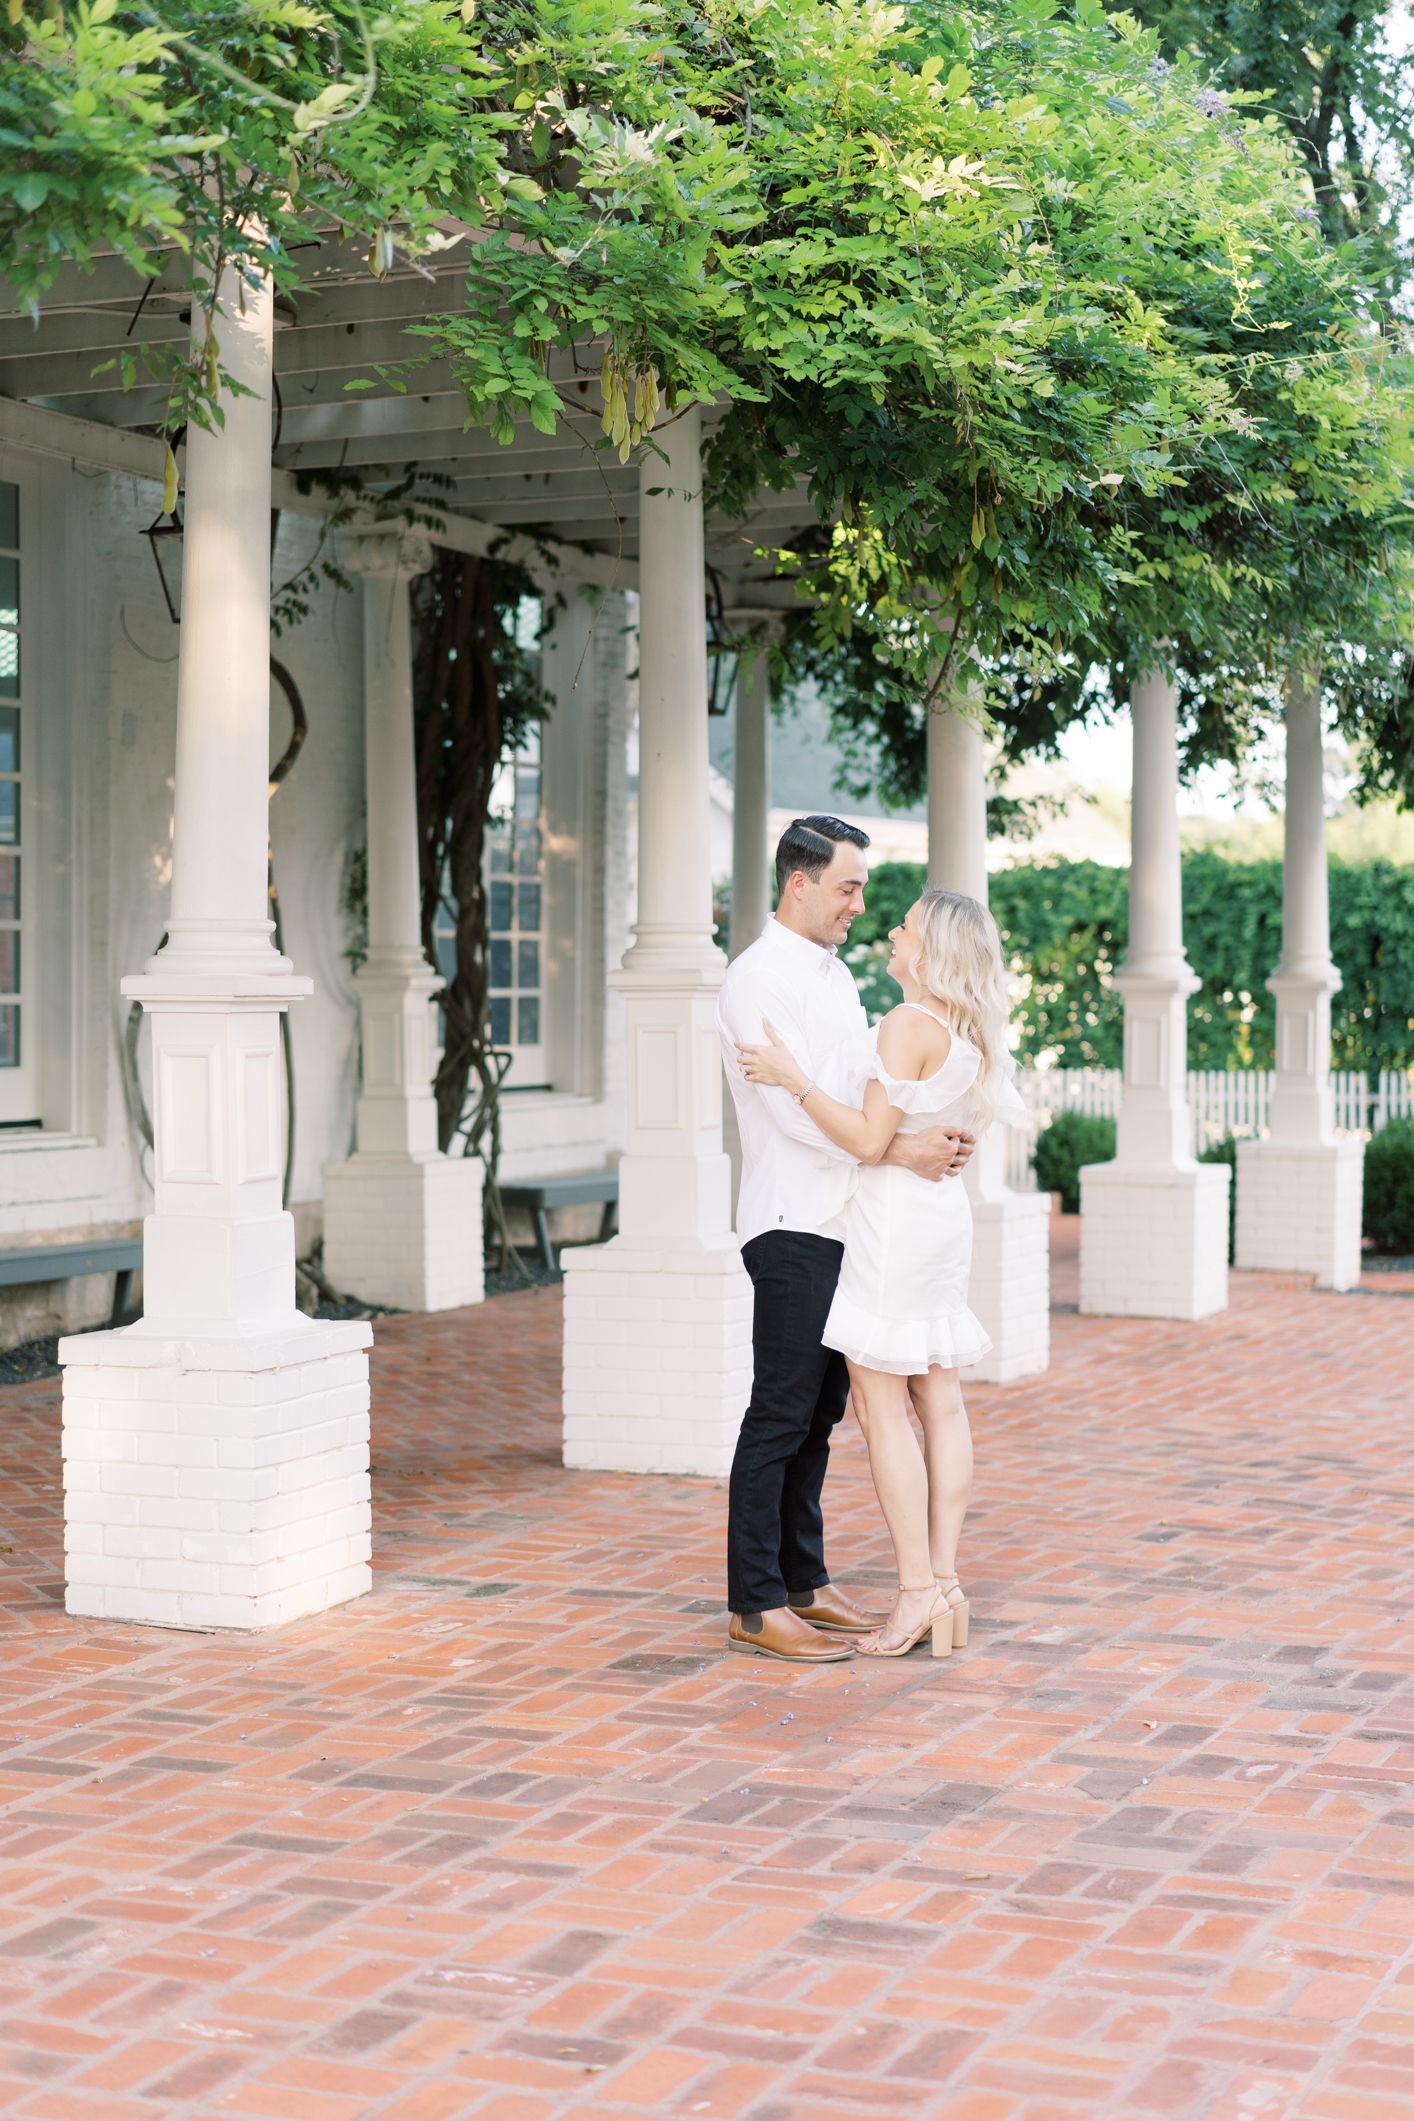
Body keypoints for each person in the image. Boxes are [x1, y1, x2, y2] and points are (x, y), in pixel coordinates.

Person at [736, 887, 1026, 1660]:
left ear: (928, 953)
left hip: (894, 1223)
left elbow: (867, 1140)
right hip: (939, 1217)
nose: (890, 930)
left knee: (878, 1399)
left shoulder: (905, 1024)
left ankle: (916, 1591)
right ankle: (945, 1579)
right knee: (940, 1394)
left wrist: (793, 1078)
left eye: (904, 926)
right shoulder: (966, 1031)